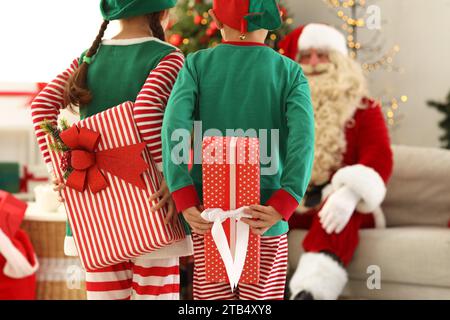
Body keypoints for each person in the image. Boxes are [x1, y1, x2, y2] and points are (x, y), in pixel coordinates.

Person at [31, 0, 190, 300]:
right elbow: (145, 112)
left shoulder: (89, 58)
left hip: (95, 209)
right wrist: (168, 177)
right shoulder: (168, 58)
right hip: (150, 209)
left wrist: (63, 168)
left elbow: (41, 107)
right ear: (163, 13)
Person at [161, 0, 315, 300]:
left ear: (217, 21)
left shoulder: (196, 65)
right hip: (266, 216)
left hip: (209, 215)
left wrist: (183, 192)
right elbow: (303, 138)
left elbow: (175, 127)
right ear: (271, 23)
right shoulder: (289, 72)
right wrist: (286, 199)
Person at [279, 23, 393, 300]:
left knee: (338, 212)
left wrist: (352, 192)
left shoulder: (364, 108)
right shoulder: (281, 108)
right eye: (306, 56)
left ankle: (310, 292)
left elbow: (379, 156)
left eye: (323, 55)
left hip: (342, 199)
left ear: (340, 60)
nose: (315, 63)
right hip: (294, 199)